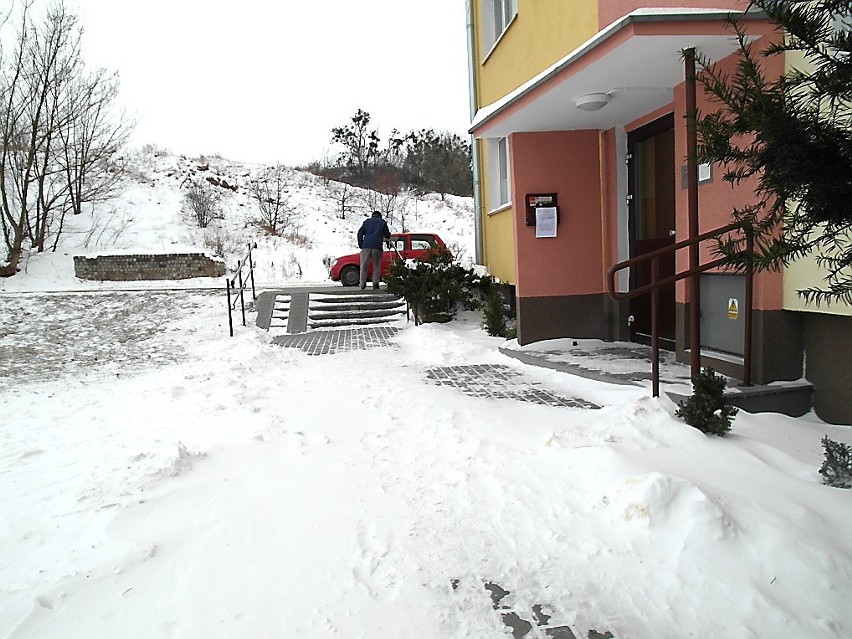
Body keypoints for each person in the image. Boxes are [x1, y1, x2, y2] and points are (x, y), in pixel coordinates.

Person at [356, 210, 391, 289]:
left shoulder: (366, 222)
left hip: (366, 245)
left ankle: (362, 284)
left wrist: (361, 243)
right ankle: (375, 283)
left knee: (364, 265)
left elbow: (360, 233)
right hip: (377, 246)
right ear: (380, 216)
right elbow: (387, 234)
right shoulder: (382, 222)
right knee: (376, 265)